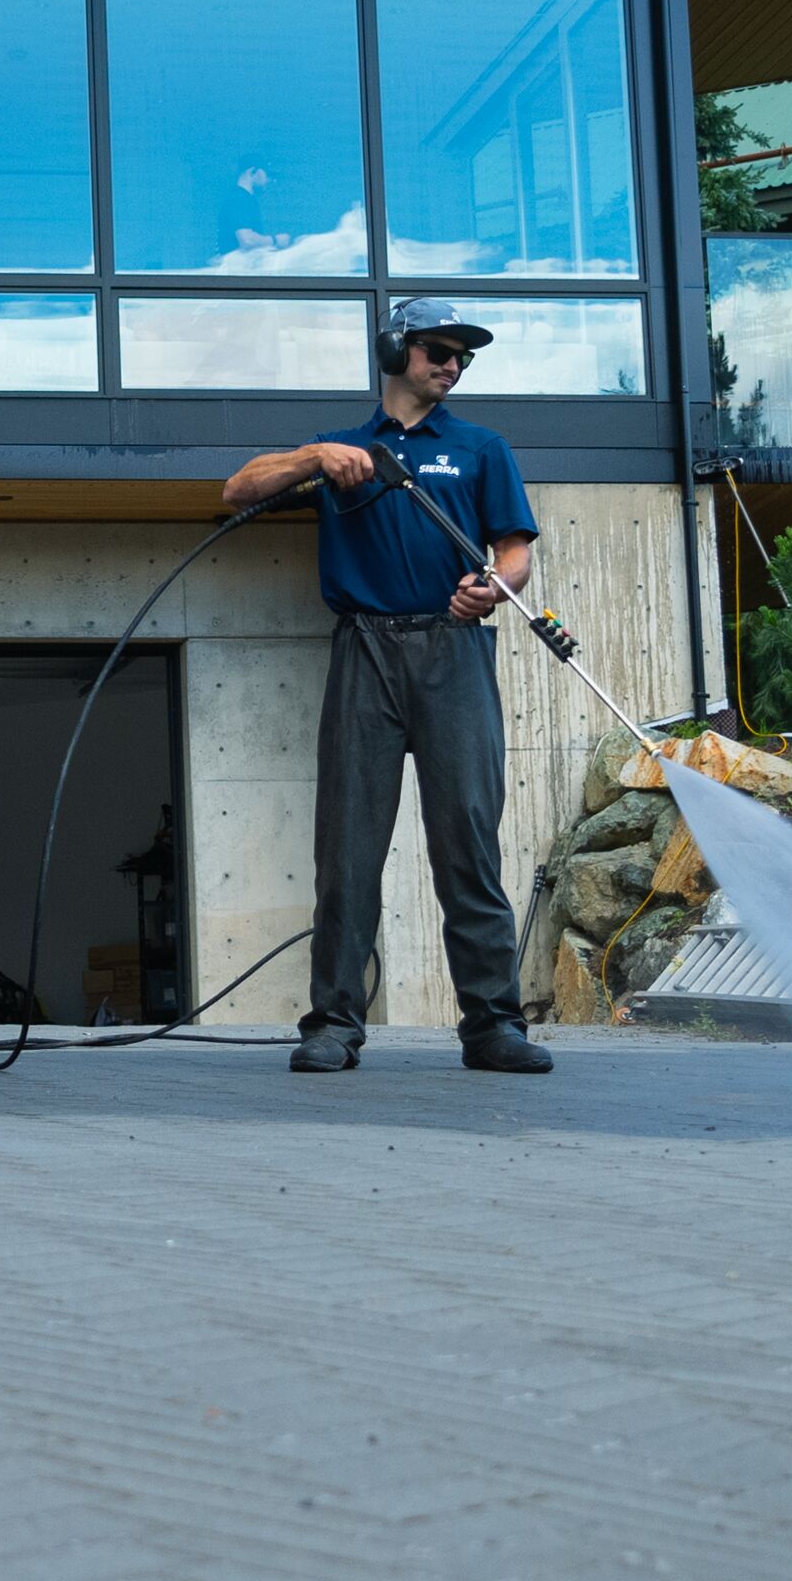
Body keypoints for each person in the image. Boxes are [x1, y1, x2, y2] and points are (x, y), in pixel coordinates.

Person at [223, 299, 548, 1077]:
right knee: (348, 847)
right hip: (364, 649)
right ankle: (334, 1022)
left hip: (454, 651)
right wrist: (314, 459)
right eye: (439, 349)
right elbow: (238, 488)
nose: (453, 364)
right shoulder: (346, 449)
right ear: (396, 348)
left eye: (464, 356)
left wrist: (491, 587)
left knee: (466, 841)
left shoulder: (480, 446)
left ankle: (493, 1025)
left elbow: (515, 553)